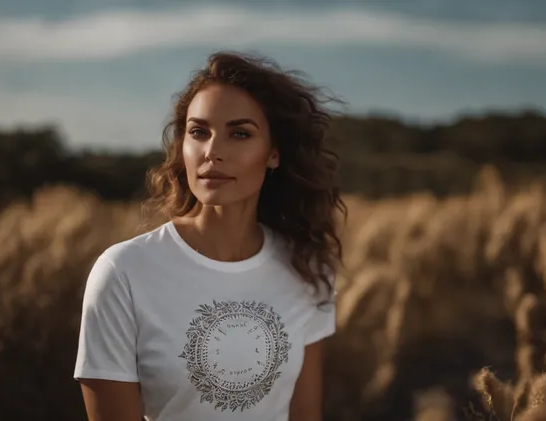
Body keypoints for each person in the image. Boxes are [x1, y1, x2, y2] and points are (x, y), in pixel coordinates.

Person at [73, 50, 346, 421]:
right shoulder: (124, 273)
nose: (212, 152)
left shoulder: (306, 268)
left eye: (240, 133)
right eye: (199, 132)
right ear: (182, 146)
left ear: (274, 154)